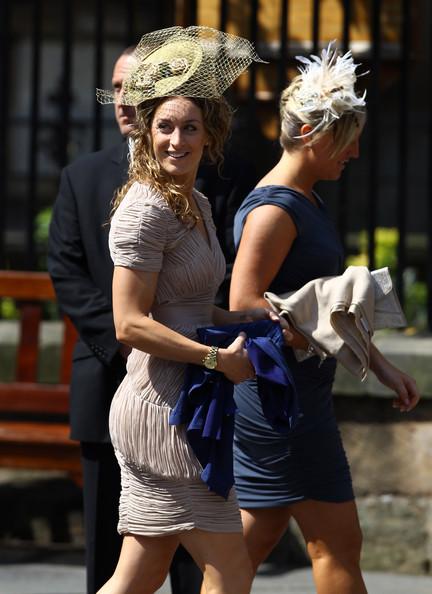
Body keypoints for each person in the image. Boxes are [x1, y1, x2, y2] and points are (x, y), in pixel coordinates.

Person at [229, 43, 421, 594]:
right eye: (349, 136)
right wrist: (299, 332)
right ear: (315, 133)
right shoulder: (275, 208)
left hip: (293, 396)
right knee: (335, 543)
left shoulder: (304, 198)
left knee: (250, 544)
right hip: (280, 402)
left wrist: (378, 363)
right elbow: (245, 303)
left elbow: (320, 306)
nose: (356, 152)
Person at [95, 26, 267, 594]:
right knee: (230, 573)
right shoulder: (145, 209)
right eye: (164, 127)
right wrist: (218, 359)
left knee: (138, 575)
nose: (177, 140)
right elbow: (130, 323)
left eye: (190, 127)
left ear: (209, 133)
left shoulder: (191, 201)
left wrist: (253, 321)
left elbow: (187, 304)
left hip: (184, 404)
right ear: (145, 133)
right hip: (160, 409)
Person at [48, 44, 206, 594]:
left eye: (135, 89)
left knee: (188, 545)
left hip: (183, 380)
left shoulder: (193, 174)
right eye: (116, 89)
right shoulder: (83, 175)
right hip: (107, 369)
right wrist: (125, 339)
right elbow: (66, 270)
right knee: (108, 546)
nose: (123, 100)